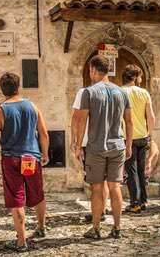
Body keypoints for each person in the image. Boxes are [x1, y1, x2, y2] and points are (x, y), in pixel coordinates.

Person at [0, 72, 49, 252]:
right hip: (32, 157)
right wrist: (45, 154)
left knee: (17, 199)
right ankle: (41, 228)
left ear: (2, 89)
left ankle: (21, 241)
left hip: (11, 159)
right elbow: (43, 133)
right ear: (18, 86)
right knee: (37, 193)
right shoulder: (33, 106)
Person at [72, 55, 133, 239]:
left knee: (97, 189)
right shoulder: (122, 93)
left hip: (96, 147)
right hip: (118, 146)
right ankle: (117, 228)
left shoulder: (89, 92)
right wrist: (128, 145)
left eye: (90, 70)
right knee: (115, 187)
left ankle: (96, 229)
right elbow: (129, 122)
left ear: (93, 69)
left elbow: (81, 121)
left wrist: (77, 145)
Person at [71, 88, 109, 222]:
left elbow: (75, 118)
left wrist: (75, 142)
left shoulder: (82, 92)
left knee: (94, 182)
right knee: (103, 180)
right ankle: (101, 210)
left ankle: (97, 213)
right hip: (107, 143)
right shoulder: (112, 92)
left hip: (90, 144)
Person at [121, 65, 156, 213]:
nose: (141, 79)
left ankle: (135, 202)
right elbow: (151, 117)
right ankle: (143, 201)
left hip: (127, 138)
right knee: (141, 170)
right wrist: (149, 134)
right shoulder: (144, 93)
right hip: (143, 136)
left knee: (131, 170)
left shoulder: (120, 92)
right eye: (140, 76)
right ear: (135, 77)